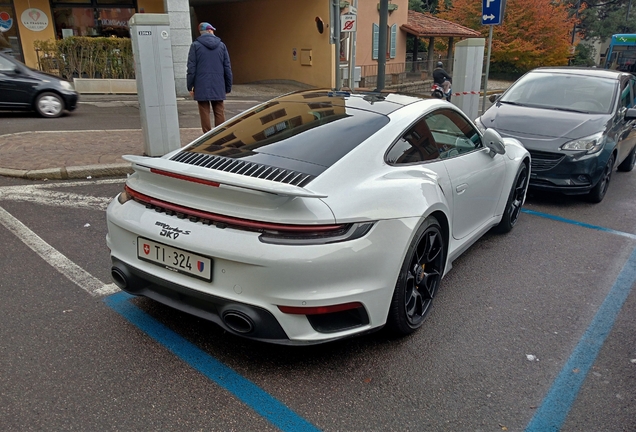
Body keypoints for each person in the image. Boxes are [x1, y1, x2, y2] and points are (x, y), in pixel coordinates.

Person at [187, 22, 233, 133]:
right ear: (210, 31)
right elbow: (227, 67)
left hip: (201, 83)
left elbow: (191, 68)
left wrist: (190, 86)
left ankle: (206, 135)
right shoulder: (222, 46)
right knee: (219, 111)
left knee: (204, 111)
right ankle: (220, 135)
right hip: (218, 83)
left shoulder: (195, 46)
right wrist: (228, 86)